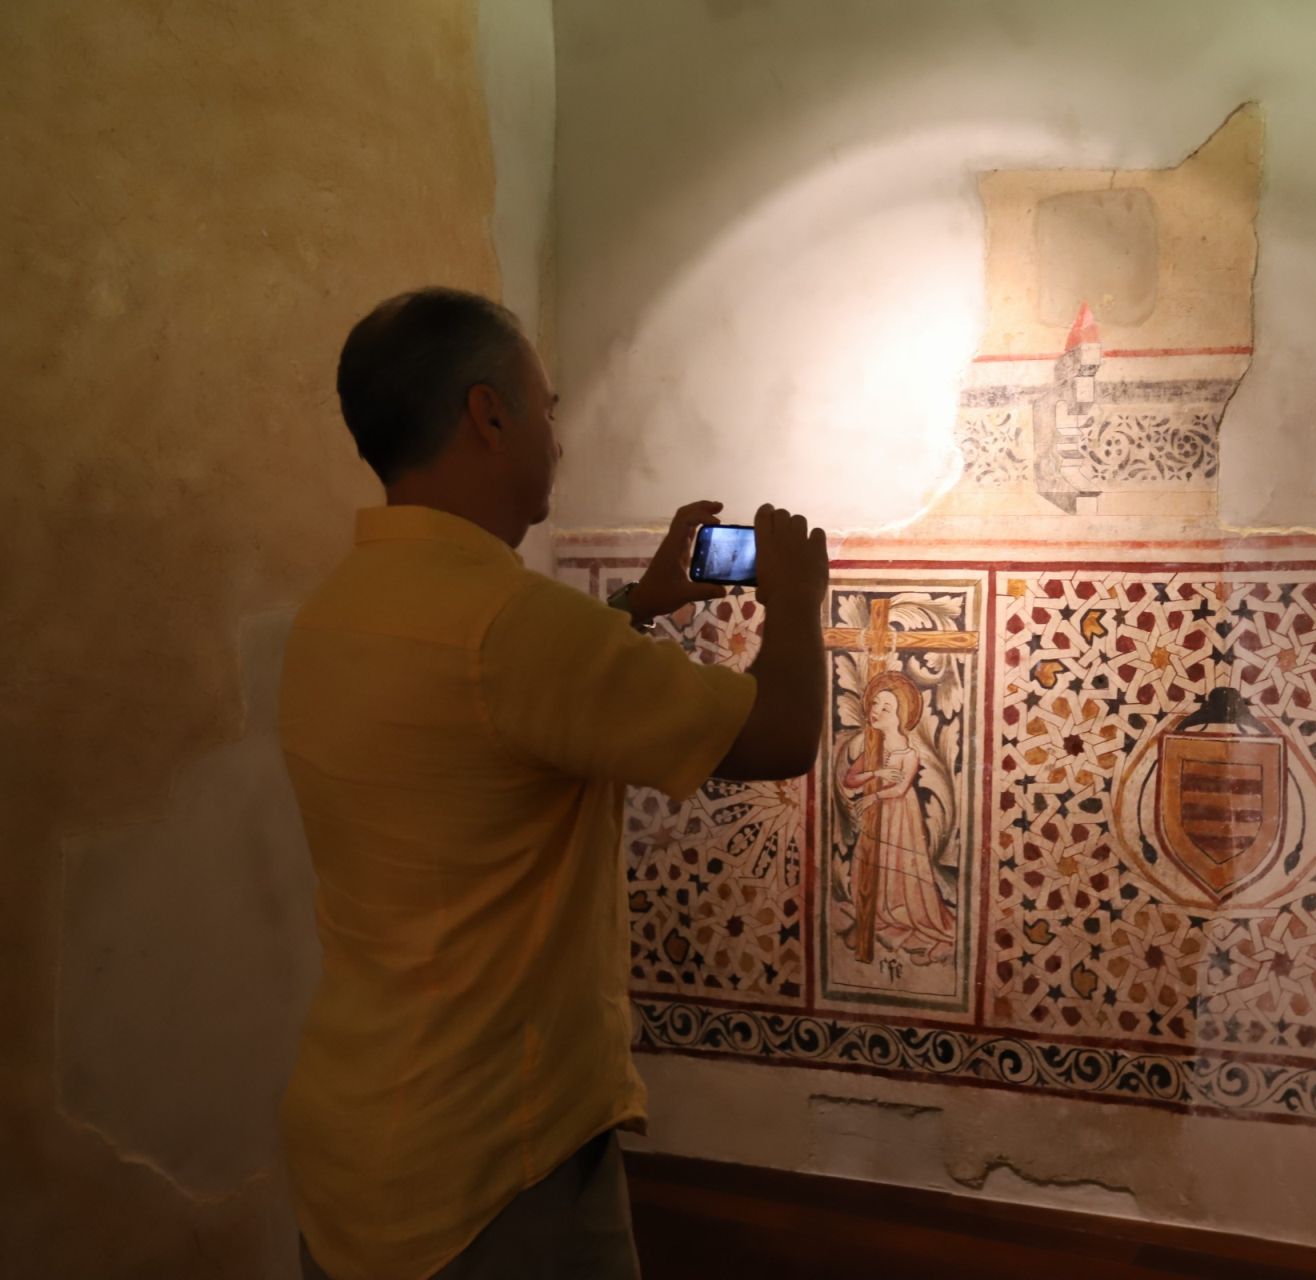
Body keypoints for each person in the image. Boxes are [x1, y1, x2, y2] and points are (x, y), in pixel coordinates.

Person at [278, 287, 827, 1280]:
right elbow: (784, 732)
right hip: (492, 1167)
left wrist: (641, 605)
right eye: (550, 405)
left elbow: (495, 719)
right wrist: (795, 598)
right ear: (490, 414)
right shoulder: (513, 625)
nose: (558, 435)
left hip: (356, 1135)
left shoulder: (337, 608)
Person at [835, 671, 956, 965]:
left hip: (901, 814)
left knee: (902, 863)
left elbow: (901, 788)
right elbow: (851, 780)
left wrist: (874, 795)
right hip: (877, 813)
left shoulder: (908, 751)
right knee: (871, 861)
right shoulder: (872, 745)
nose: (875, 711)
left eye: (885, 708)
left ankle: (918, 921)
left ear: (901, 715)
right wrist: (875, 774)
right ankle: (875, 915)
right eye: (875, 704)